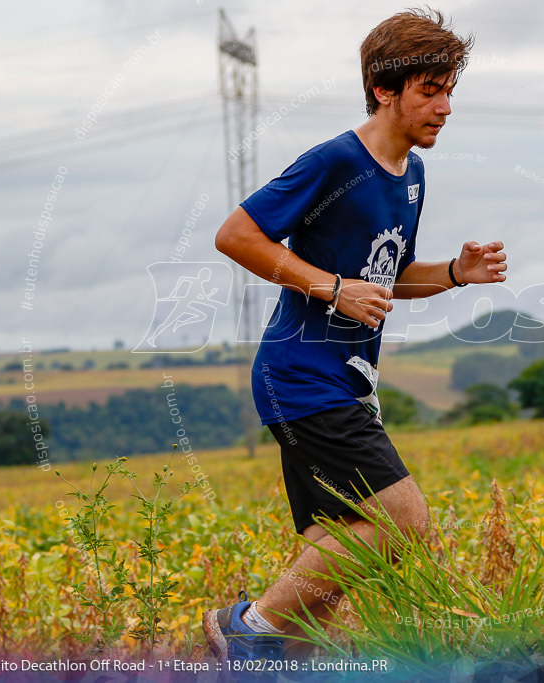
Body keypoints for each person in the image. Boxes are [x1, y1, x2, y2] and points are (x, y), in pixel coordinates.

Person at [202, 8, 507, 663]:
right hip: (300, 376)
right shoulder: (336, 162)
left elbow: (387, 278)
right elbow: (236, 235)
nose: (446, 105)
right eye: (430, 90)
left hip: (347, 382)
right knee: (403, 520)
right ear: (384, 91)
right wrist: (330, 286)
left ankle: (269, 652)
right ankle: (246, 631)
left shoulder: (413, 176)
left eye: (450, 89)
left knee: (335, 543)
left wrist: (455, 273)